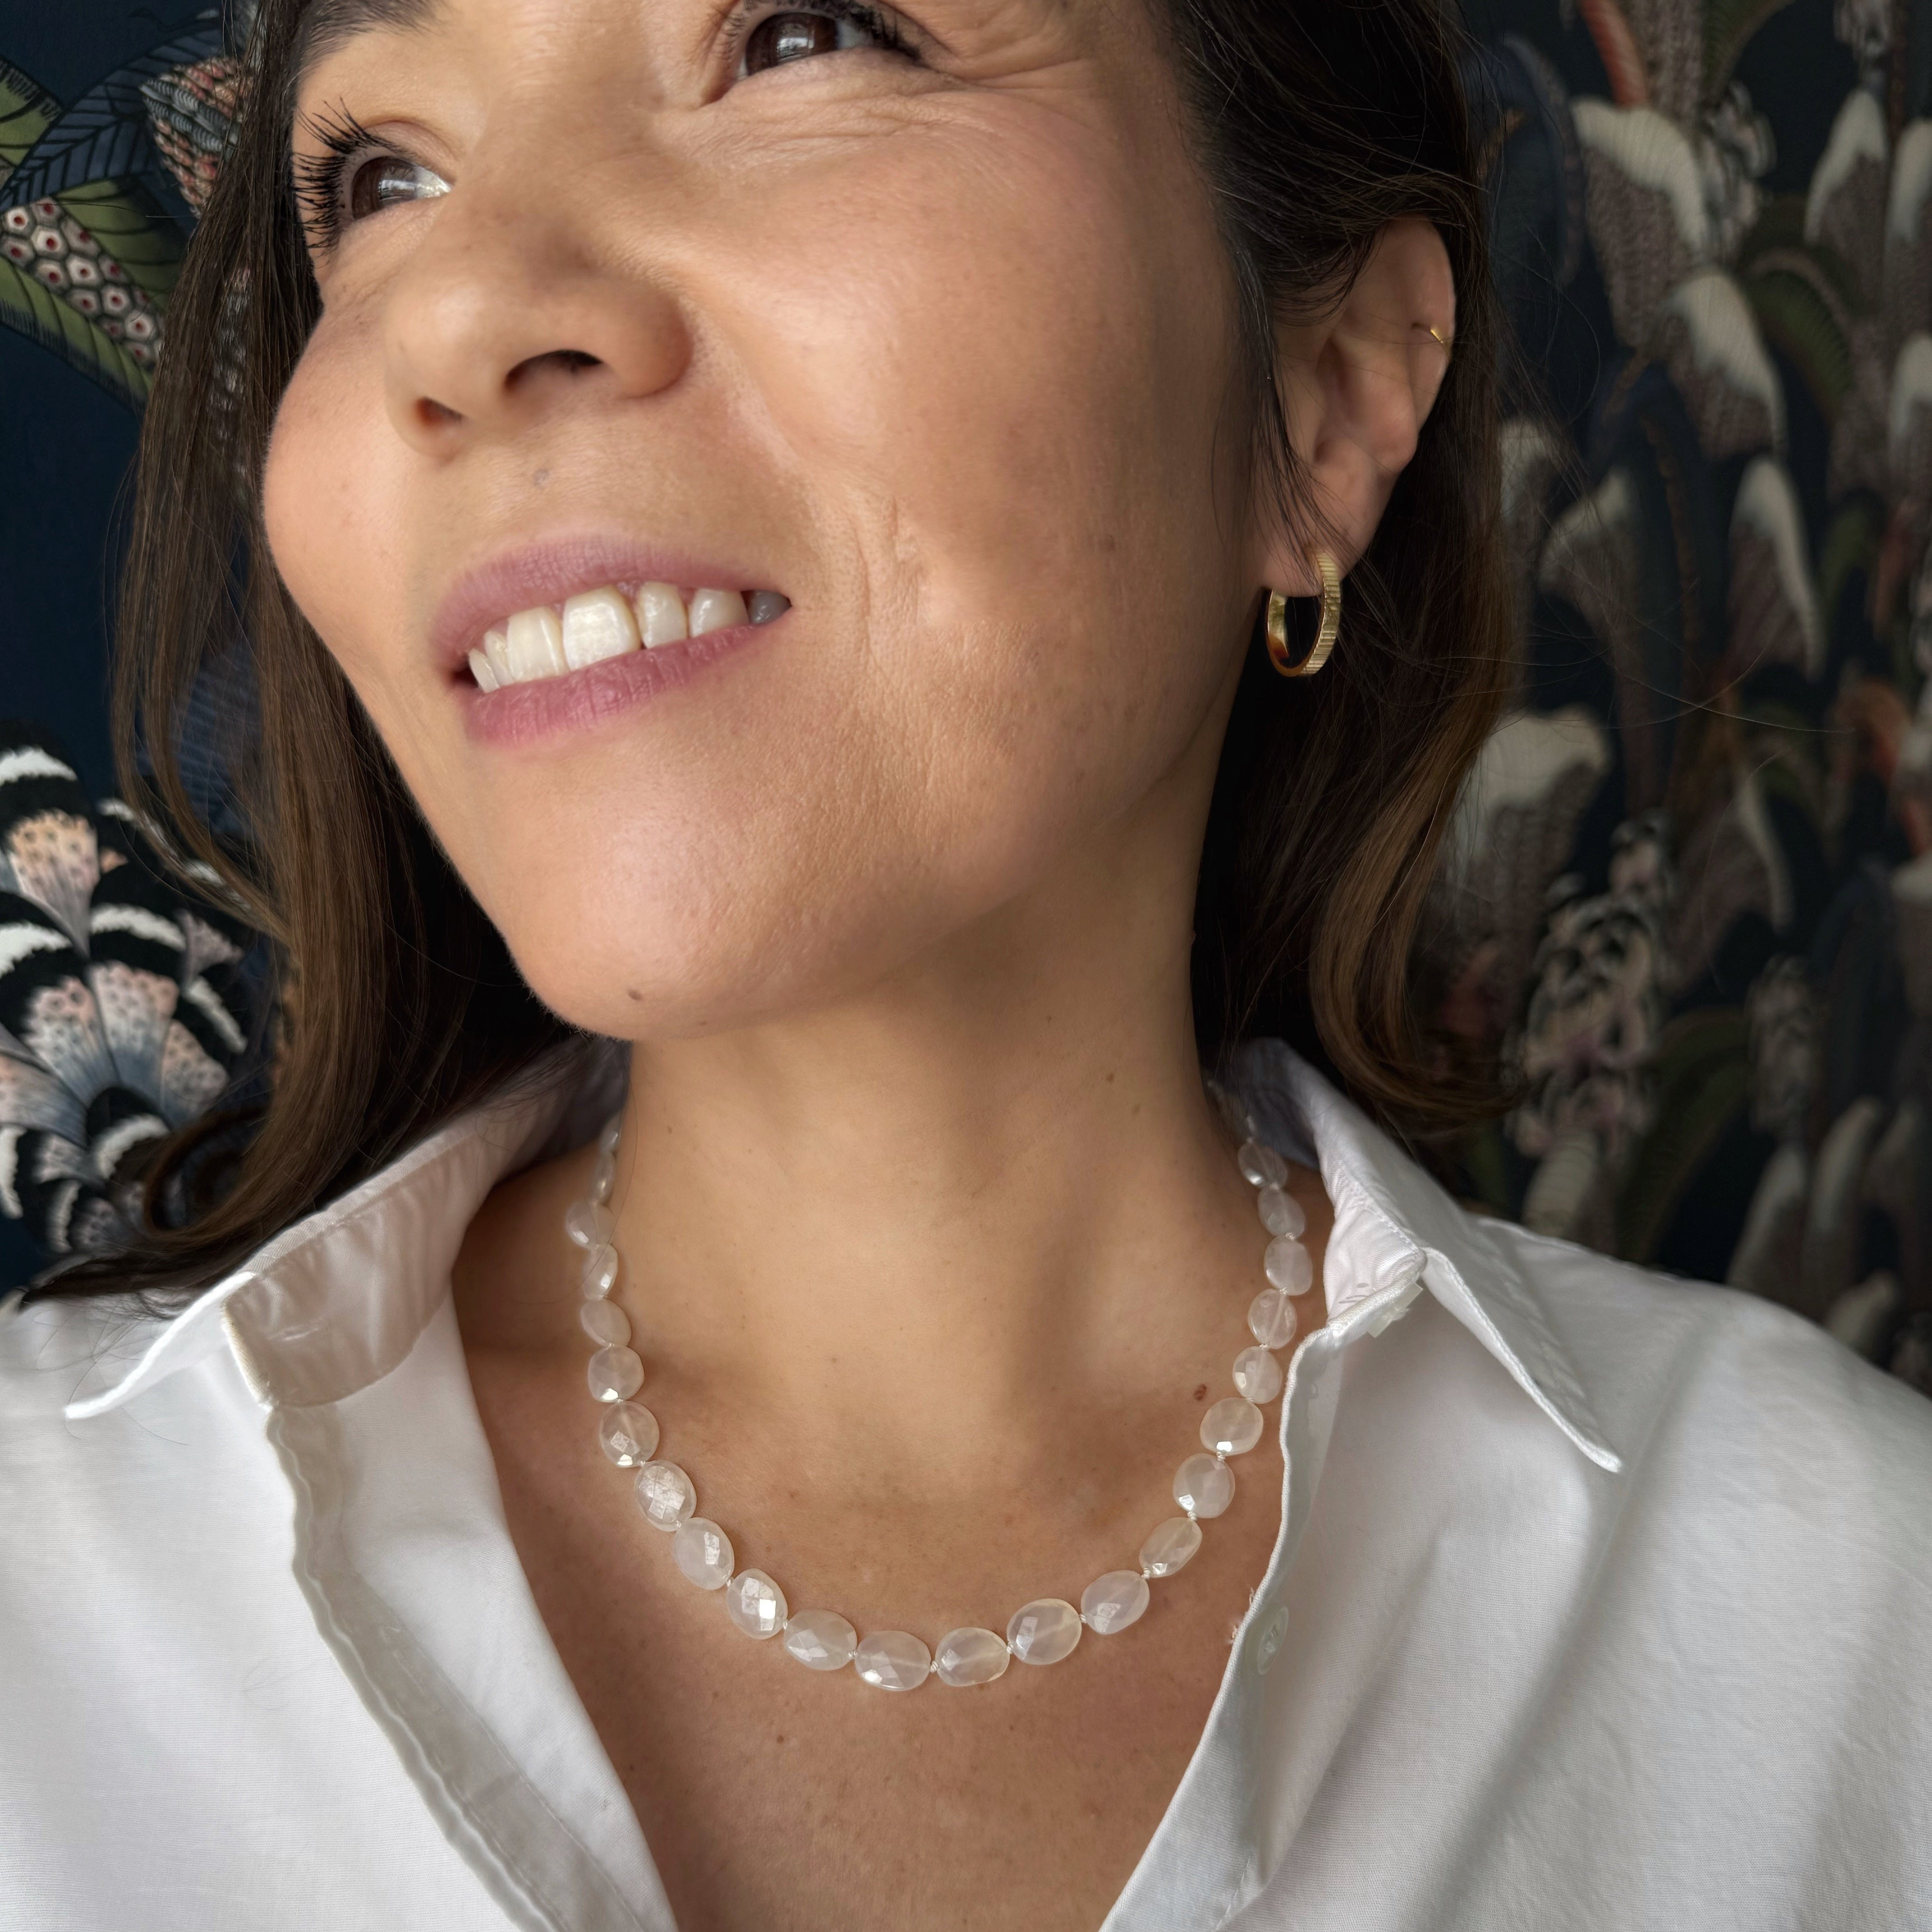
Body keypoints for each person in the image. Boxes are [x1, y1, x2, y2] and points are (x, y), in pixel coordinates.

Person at [5, 0, 1930, 1924]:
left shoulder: (1842, 1616)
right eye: (381, 176)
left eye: (797, 38)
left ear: (1329, 395)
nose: (462, 317)